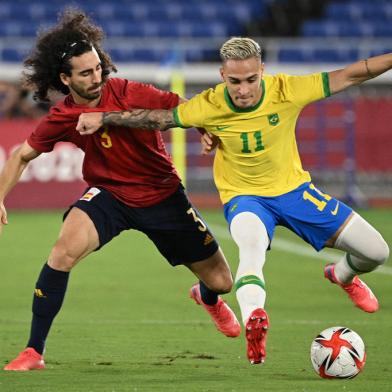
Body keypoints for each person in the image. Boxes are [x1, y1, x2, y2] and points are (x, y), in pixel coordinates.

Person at [77, 37, 390, 365]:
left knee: (377, 252)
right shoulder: (209, 104)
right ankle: (255, 319)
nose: (243, 90)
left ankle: (341, 274)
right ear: (222, 74)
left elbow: (354, 74)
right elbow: (159, 119)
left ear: (262, 72)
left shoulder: (287, 90)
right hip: (245, 198)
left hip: (295, 192)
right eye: (235, 81)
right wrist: (106, 118)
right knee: (251, 251)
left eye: (251, 80)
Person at [1, 10, 241, 372]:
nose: (97, 77)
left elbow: (183, 108)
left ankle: (205, 298)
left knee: (222, 282)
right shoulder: (62, 117)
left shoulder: (130, 92)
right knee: (62, 251)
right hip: (109, 195)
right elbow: (21, 155)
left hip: (163, 196)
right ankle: (34, 351)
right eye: (85, 72)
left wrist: (202, 127)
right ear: (65, 79)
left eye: (98, 67)